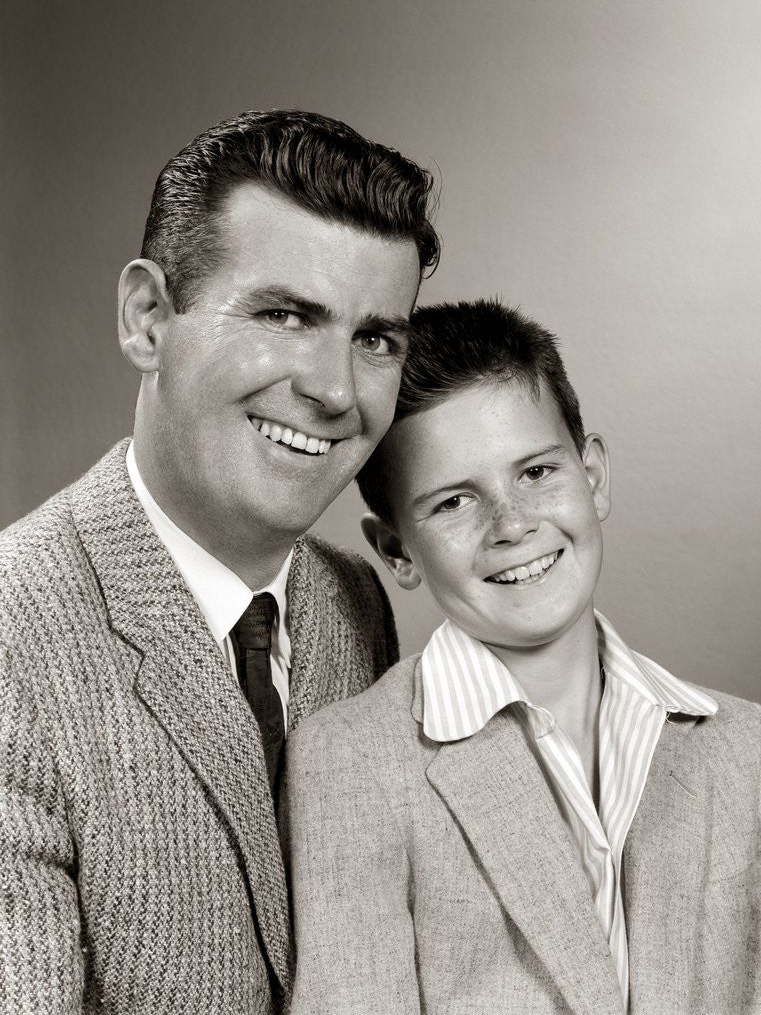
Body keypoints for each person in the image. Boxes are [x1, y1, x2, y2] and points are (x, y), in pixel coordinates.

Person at [0, 109, 439, 1014]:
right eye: (284, 315)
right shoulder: (14, 635)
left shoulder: (354, 603)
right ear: (149, 319)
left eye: (376, 339)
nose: (333, 391)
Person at [286, 299, 761, 1014]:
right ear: (396, 550)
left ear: (594, 475)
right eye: (452, 503)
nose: (512, 525)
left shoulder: (739, 746)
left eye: (537, 472)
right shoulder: (353, 762)